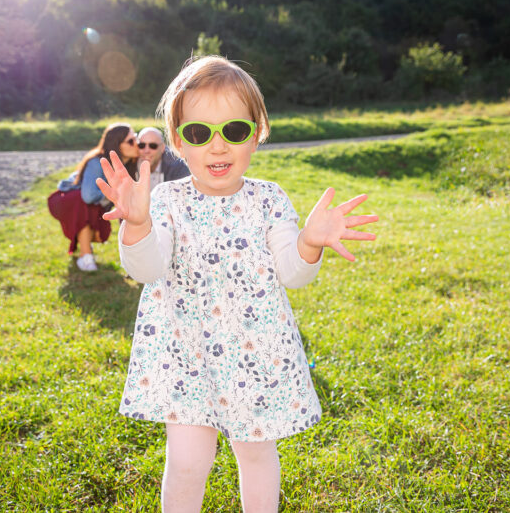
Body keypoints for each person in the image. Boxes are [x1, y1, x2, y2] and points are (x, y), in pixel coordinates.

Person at [96, 56, 378, 512]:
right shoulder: (166, 201)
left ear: (258, 131)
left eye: (235, 130)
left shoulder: (269, 199)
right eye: (198, 133)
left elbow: (293, 272)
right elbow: (146, 269)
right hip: (185, 354)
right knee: (188, 461)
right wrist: (139, 223)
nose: (218, 145)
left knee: (256, 454)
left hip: (255, 354)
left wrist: (309, 242)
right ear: (177, 143)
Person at [50, 123, 138, 271]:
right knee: (85, 206)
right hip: (68, 200)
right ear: (118, 145)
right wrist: (114, 194)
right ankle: (85, 256)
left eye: (136, 138)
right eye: (131, 141)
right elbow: (88, 196)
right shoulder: (97, 162)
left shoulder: (130, 164)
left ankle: (84, 242)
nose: (137, 144)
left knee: (100, 234)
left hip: (91, 205)